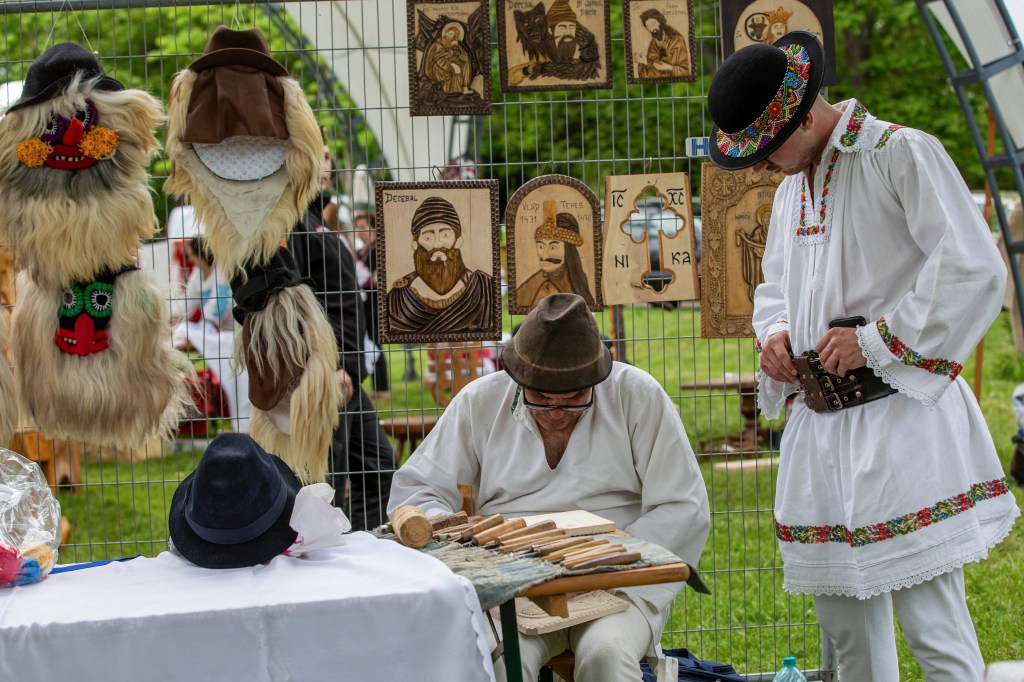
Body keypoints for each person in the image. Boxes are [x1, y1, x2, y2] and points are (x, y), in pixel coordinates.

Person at [707, 32, 1019, 682]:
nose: (761, 169)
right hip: (821, 434)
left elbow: (974, 267)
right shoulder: (795, 187)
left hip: (900, 426)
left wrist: (874, 340)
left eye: (765, 152)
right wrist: (776, 336)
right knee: (848, 641)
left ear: (803, 118)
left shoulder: (900, 154)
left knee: (933, 631)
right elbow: (775, 289)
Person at [389, 293, 710, 682]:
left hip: (617, 583)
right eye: (541, 398)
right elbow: (417, 489)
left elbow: (683, 505)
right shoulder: (483, 399)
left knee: (606, 657)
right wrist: (462, 543)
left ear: (597, 377)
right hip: (514, 589)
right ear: (517, 378)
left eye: (573, 399)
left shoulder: (636, 395)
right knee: (499, 662)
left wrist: (613, 555)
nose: (556, 414)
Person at [289, 160, 394, 531]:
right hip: (326, 374)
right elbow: (296, 304)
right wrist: (329, 367)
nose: (328, 166)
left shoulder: (314, 218)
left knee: (378, 464)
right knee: (328, 479)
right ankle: (323, 558)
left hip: (345, 371)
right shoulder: (292, 221)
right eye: (318, 156)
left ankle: (360, 544)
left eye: (331, 159)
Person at [386, 196, 494, 335]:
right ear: (415, 245)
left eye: (445, 235)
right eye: (428, 238)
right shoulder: (397, 300)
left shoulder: (483, 288)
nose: (437, 244)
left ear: (458, 241)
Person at [515, 200, 595, 307]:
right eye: (541, 246)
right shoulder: (531, 285)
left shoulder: (577, 282)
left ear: (568, 250)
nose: (544, 255)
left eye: (553, 247)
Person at [635, 8, 689, 79]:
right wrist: (644, 61)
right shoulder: (654, 43)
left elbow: (685, 71)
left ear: (660, 22)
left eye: (653, 23)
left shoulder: (677, 40)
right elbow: (655, 67)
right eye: (648, 26)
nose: (652, 28)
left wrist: (670, 68)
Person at [423, 22, 472, 95]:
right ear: (445, 33)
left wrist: (457, 47)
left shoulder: (452, 43)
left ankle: (465, 88)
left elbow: (464, 56)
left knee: (465, 64)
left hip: (448, 63)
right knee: (455, 67)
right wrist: (452, 65)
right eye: (450, 33)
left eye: (453, 35)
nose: (450, 36)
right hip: (437, 67)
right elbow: (439, 59)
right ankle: (451, 90)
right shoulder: (437, 44)